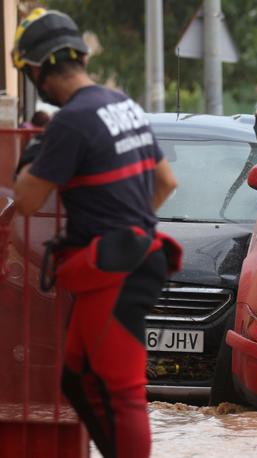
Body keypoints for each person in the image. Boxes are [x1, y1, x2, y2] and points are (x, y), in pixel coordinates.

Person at [11, 8, 180, 457]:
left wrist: (37, 147)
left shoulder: (70, 122)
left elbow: (25, 199)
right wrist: (129, 224)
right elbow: (166, 182)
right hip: (129, 258)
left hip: (117, 269)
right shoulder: (121, 103)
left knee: (120, 392)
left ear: (35, 72)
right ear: (79, 55)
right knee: (77, 376)